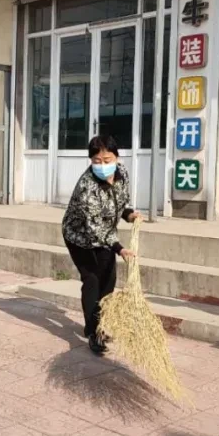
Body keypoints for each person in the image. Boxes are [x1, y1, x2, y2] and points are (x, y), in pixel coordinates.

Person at [62, 135, 142, 356]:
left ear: (116, 157)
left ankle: (102, 323)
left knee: (109, 280)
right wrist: (119, 248)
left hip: (106, 234)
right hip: (80, 237)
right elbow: (95, 228)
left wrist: (128, 214)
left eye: (107, 159)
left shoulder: (122, 173)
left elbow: (120, 201)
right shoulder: (87, 188)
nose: (103, 165)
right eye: (96, 160)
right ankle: (93, 331)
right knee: (93, 279)